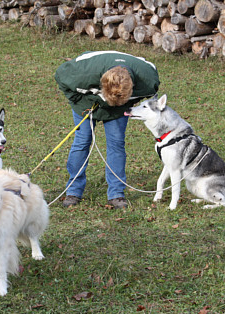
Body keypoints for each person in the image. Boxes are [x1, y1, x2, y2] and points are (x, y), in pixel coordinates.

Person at [55, 51, 160, 209]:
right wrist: (81, 104)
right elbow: (60, 78)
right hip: (86, 106)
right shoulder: (80, 72)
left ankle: (116, 194)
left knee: (116, 143)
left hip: (118, 110)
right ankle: (73, 191)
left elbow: (151, 94)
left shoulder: (147, 79)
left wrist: (121, 103)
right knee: (82, 141)